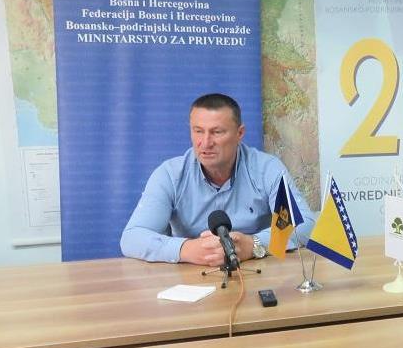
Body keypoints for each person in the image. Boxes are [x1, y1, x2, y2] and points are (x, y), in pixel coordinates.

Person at [120, 93, 315, 266]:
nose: (205, 143)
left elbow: (304, 224)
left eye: (217, 132)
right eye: (198, 131)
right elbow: (132, 238)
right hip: (190, 277)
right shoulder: (170, 174)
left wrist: (254, 244)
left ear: (239, 134)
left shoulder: (267, 169)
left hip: (255, 271)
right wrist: (186, 249)